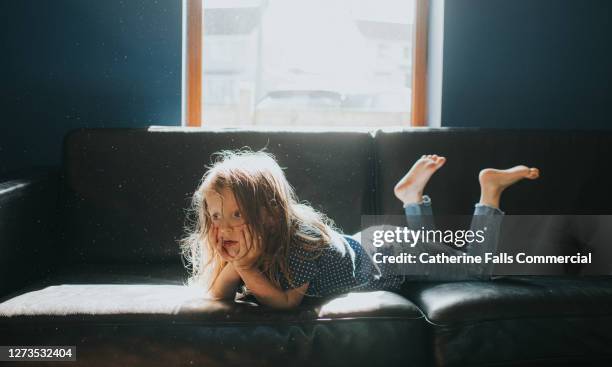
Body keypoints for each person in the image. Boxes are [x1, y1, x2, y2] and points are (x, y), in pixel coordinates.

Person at [179, 150, 539, 309]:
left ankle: (489, 190)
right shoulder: (250, 244)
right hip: (377, 244)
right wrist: (234, 264)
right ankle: (412, 197)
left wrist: (243, 268)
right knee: (432, 254)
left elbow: (287, 304)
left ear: (271, 216)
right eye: (214, 216)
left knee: (480, 268)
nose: (222, 227)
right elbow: (217, 294)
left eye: (237, 216)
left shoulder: (300, 243)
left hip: (391, 258)